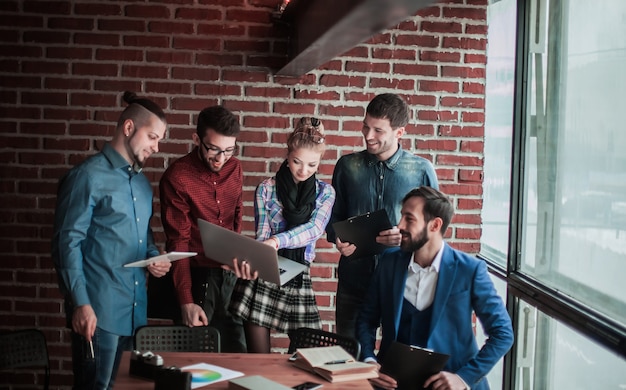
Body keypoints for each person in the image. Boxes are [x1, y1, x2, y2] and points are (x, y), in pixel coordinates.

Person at [52, 91, 171, 390]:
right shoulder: (86, 177)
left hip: (135, 314)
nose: (156, 147)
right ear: (129, 128)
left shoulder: (143, 186)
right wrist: (80, 303)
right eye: (153, 137)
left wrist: (155, 257)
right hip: (98, 313)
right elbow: (67, 244)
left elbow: (145, 236)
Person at [356, 186, 514, 390]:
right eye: (402, 215)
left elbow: (503, 333)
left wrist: (464, 377)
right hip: (393, 383)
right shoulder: (389, 262)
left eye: (409, 219)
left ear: (435, 225)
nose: (399, 224)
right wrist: (370, 361)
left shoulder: (470, 270)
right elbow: (366, 320)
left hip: (450, 383)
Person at [326, 93, 439, 338]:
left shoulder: (421, 170)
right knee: (348, 361)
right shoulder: (346, 166)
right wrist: (338, 239)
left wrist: (405, 238)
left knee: (396, 364)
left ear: (399, 133)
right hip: (353, 281)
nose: (368, 135)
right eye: (366, 126)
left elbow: (435, 233)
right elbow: (333, 219)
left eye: (378, 130)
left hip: (403, 284)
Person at [228, 117, 336, 353]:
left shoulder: (325, 193)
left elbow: (314, 230)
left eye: (312, 165)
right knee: (259, 360)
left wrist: (278, 240)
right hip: (268, 270)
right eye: (297, 161)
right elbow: (262, 234)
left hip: (298, 275)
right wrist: (256, 255)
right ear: (288, 155)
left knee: (308, 356)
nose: (303, 170)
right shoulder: (266, 188)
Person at [159, 105, 247, 353]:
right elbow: (178, 242)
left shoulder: (236, 168)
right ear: (197, 139)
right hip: (198, 278)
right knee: (195, 360)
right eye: (214, 149)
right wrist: (186, 301)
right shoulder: (177, 177)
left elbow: (237, 215)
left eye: (229, 150)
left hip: (230, 277)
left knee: (238, 358)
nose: (221, 159)